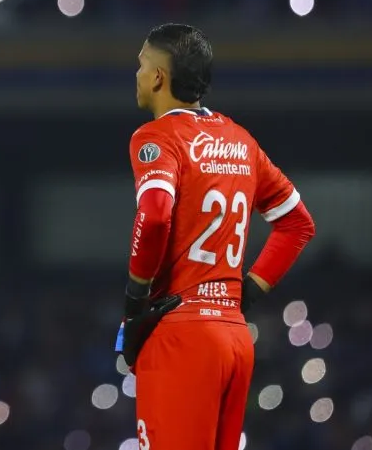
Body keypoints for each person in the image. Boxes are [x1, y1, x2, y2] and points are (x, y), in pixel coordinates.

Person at [116, 24, 316, 450]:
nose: (135, 73)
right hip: (234, 338)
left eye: (141, 63)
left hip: (181, 335)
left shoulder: (155, 137)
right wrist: (246, 293)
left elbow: (153, 216)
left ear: (158, 78)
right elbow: (298, 223)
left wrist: (134, 302)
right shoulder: (240, 141)